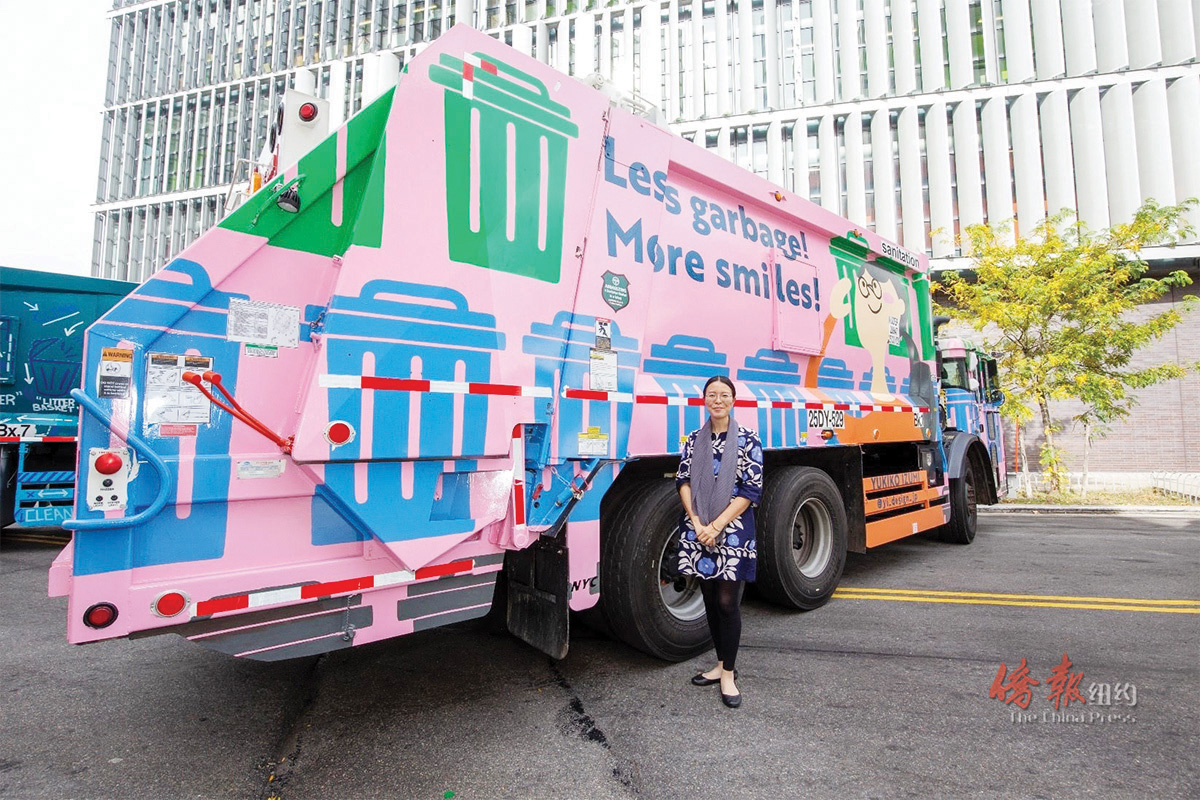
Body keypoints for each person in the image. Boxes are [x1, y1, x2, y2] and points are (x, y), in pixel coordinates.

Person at [676, 375, 763, 709]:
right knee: (710, 600)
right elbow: (683, 480)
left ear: (733, 400)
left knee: (727, 602)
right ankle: (719, 663)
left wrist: (716, 525)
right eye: (712, 395)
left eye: (724, 395)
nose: (718, 400)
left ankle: (729, 673)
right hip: (698, 529)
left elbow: (751, 489)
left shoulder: (748, 440)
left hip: (732, 530)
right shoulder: (693, 439)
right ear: (704, 400)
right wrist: (698, 521)